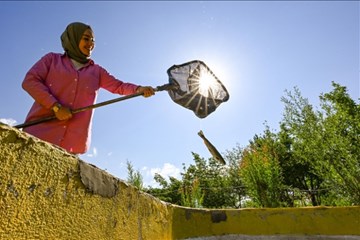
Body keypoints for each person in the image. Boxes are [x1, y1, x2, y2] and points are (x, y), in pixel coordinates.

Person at [22, 22, 155, 154]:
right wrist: (55, 106)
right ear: (73, 38)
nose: (91, 44)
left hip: (71, 146)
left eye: (93, 41)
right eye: (86, 38)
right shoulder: (51, 59)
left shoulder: (97, 71)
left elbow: (118, 86)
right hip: (38, 135)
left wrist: (139, 89)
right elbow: (30, 81)